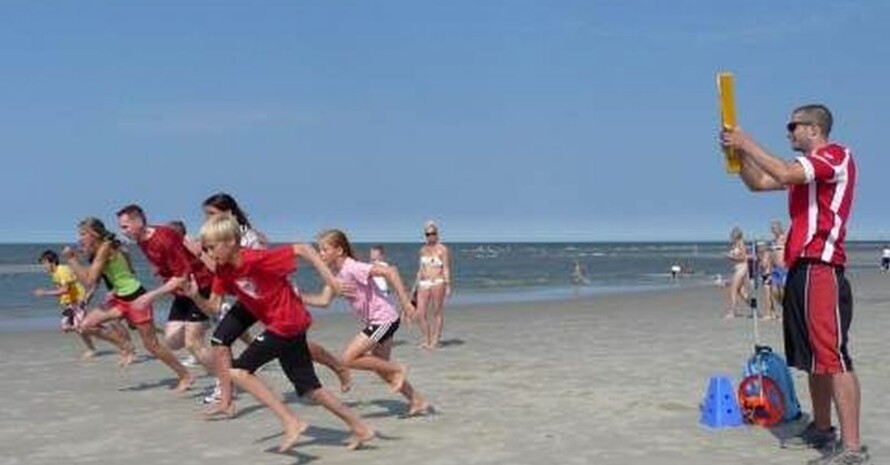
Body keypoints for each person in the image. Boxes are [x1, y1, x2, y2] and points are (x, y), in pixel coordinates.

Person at [722, 104, 866, 463]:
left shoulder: (835, 156)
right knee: (812, 358)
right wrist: (737, 155)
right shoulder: (803, 177)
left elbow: (784, 173)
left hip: (823, 267)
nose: (788, 133)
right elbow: (760, 183)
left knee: (833, 357)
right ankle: (821, 427)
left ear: (814, 129)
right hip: (800, 268)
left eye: (793, 126)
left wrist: (747, 140)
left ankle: (852, 446)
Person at [184, 213, 374, 452]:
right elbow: (213, 307)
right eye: (205, 249)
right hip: (286, 326)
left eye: (212, 248)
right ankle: (360, 427)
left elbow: (303, 249)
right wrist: (193, 295)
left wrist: (332, 282)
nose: (209, 254)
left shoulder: (256, 259)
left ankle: (291, 421)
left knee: (238, 371)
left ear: (231, 242)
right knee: (310, 389)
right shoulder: (223, 271)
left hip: (286, 324)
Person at [196, 192, 351, 415]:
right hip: (247, 298)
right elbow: (225, 276)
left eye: (211, 214)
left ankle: (337, 365)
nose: (207, 219)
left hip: (269, 298)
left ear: (228, 214)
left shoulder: (246, 239)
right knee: (220, 340)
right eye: (205, 215)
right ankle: (226, 399)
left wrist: (201, 257)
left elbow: (265, 267)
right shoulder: (216, 240)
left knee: (293, 343)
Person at [304, 229, 433, 417]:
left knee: (348, 359)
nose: (320, 254)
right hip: (381, 320)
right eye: (319, 250)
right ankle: (417, 401)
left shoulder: (352, 267)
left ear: (339, 251)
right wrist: (298, 297)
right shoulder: (336, 275)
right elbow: (323, 301)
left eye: (324, 249)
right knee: (380, 367)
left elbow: (391, 271)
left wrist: (405, 303)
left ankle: (399, 368)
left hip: (383, 319)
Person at [64, 218, 193, 390]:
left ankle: (185, 374)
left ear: (94, 234)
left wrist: (71, 260)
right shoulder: (101, 248)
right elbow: (104, 273)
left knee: (152, 345)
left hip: (135, 297)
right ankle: (125, 346)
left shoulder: (105, 247)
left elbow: (89, 280)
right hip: (119, 297)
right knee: (85, 325)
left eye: (82, 234)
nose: (79, 238)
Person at [116, 205, 216, 384]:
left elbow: (182, 276)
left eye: (125, 227)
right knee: (172, 341)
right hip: (181, 292)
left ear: (138, 222)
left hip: (199, 286)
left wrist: (149, 297)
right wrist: (160, 269)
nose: (122, 232)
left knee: (193, 343)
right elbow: (167, 264)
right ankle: (208, 321)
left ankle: (225, 383)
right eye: (121, 227)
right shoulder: (140, 239)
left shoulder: (163, 238)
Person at [34, 250, 103, 359]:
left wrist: (45, 293)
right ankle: (95, 327)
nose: (44, 266)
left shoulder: (62, 271)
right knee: (66, 327)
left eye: (44, 263)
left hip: (77, 301)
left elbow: (65, 290)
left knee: (78, 327)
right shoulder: (55, 273)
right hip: (70, 304)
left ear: (51, 262)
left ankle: (92, 348)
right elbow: (61, 291)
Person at [414, 221, 452, 349]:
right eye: (427, 234)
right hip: (423, 283)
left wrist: (448, 285)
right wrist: (415, 287)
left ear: (437, 234)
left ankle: (435, 340)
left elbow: (446, 268)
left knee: (437, 312)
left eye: (432, 233)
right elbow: (420, 269)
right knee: (420, 313)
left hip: (438, 282)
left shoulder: (443, 249)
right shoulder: (422, 250)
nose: (430, 236)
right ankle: (426, 339)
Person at [724, 226, 749, 319]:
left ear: (736, 235)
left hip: (742, 268)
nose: (730, 237)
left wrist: (731, 257)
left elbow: (744, 258)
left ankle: (733, 312)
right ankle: (754, 307)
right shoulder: (735, 245)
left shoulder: (741, 244)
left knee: (733, 289)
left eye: (732, 235)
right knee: (741, 291)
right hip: (738, 268)